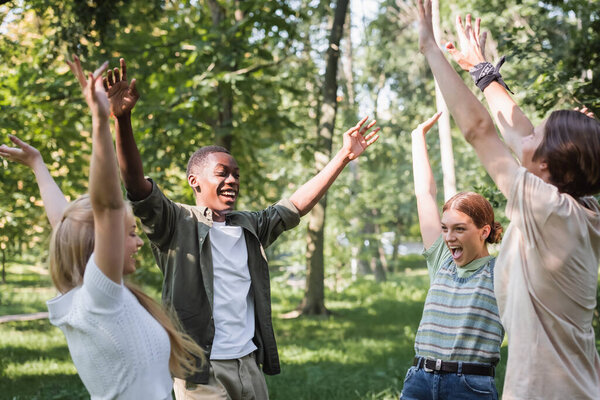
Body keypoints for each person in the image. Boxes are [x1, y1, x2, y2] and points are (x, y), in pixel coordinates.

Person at [101, 58, 380, 399]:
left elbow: (295, 205)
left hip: (247, 363)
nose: (232, 179)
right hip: (201, 370)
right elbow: (135, 185)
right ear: (195, 181)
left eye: (235, 174)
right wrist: (123, 119)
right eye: (222, 173)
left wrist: (343, 157)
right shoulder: (176, 223)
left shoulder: (249, 226)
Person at [417, 1, 600, 398]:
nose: (526, 136)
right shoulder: (582, 207)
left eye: (538, 135)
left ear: (551, 166)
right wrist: (483, 74)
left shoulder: (549, 209)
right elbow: (517, 132)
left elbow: (480, 130)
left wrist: (431, 47)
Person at [1, 57, 205, 399]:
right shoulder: (100, 298)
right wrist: (99, 121)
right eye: (130, 233)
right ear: (101, 244)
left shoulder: (84, 296)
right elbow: (108, 206)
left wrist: (38, 165)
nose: (139, 242)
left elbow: (64, 224)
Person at [400, 111, 504, 400]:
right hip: (419, 380)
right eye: (445, 228)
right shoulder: (442, 261)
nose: (448, 237)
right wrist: (417, 138)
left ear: (483, 231)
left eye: (459, 229)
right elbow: (425, 194)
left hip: (470, 385)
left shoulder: (502, 270)